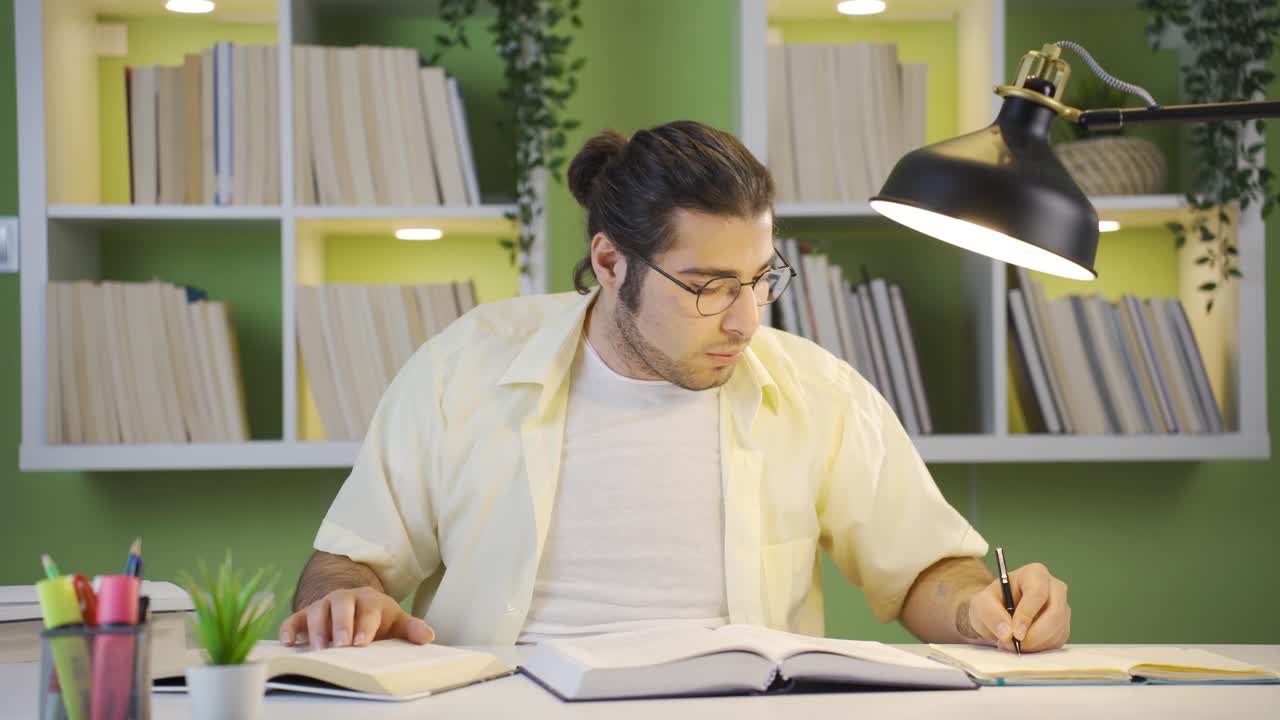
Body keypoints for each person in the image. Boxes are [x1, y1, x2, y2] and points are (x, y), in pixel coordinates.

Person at [278, 120, 1071, 654]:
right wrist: (351, 600)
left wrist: (976, 607)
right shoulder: (467, 366)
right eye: (707, 285)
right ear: (610, 263)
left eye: (761, 280)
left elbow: (926, 570)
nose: (744, 321)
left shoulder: (815, 391)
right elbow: (346, 565)